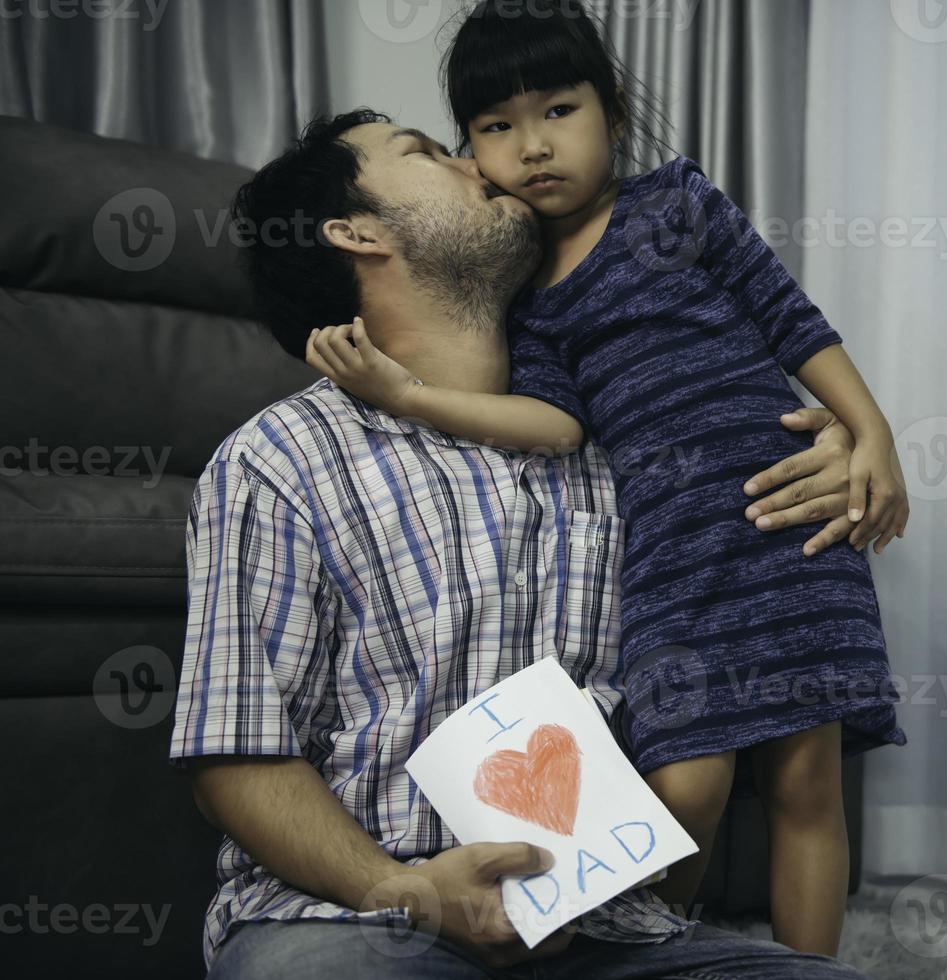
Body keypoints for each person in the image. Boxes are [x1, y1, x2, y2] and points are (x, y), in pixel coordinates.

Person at [168, 108, 875, 979]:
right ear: (356, 232)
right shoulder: (282, 462)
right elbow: (233, 755)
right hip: (360, 923)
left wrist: (828, 448)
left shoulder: (632, 437)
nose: (481, 163)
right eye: (428, 153)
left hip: (603, 929)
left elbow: (763, 445)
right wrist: (406, 890)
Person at [305, 2, 910, 956]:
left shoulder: (676, 205)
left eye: (559, 111)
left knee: (805, 786)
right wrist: (411, 396)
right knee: (685, 788)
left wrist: (870, 431)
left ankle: (804, 971)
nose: (533, 146)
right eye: (498, 127)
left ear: (613, 115)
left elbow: (790, 320)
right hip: (671, 561)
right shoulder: (527, 291)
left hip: (791, 526)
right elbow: (552, 423)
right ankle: (660, 950)